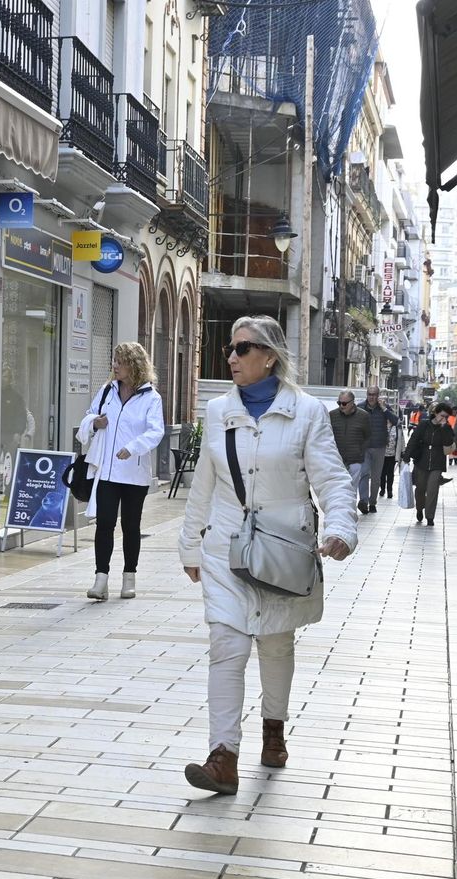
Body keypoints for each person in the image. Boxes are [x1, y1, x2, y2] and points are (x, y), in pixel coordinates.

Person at [178, 315, 357, 795]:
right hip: (226, 547)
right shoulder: (217, 411)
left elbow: (333, 479)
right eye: (230, 350)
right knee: (227, 645)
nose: (232, 357)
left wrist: (341, 527)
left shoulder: (307, 412)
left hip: (283, 547)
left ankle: (273, 731)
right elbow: (205, 482)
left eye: (242, 348)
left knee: (276, 643)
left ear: (269, 356)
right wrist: (191, 542)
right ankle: (223, 756)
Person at [78, 341, 165, 601]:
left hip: (134, 473)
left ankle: (129, 577)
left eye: (120, 362)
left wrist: (133, 447)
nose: (115, 366)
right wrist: (96, 422)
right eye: (114, 361)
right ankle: (100, 580)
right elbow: (89, 416)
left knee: (131, 525)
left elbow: (155, 431)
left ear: (134, 365)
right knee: (104, 524)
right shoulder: (107, 391)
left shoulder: (151, 397)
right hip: (106, 471)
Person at [402, 400, 456, 526]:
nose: (443, 418)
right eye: (442, 415)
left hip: (437, 462)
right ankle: (420, 508)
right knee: (420, 489)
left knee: (432, 489)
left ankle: (430, 516)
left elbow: (448, 443)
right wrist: (406, 457)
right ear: (436, 413)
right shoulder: (424, 425)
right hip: (422, 460)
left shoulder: (447, 428)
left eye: (446, 417)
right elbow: (413, 440)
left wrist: (444, 427)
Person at [329, 390, 372, 514]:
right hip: (337, 460)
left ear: (352, 403)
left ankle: (349, 512)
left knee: (352, 488)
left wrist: (360, 451)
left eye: (344, 403)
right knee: (337, 487)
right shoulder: (332, 415)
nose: (341, 406)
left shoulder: (363, 416)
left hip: (355, 459)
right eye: (339, 403)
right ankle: (338, 511)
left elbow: (368, 436)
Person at [361, 386, 398, 513]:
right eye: (370, 394)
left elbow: (396, 421)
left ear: (378, 395)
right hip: (364, 447)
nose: (372, 397)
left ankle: (372, 502)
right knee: (364, 474)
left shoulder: (384, 408)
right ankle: (363, 502)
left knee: (376, 477)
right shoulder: (360, 407)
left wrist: (384, 409)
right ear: (367, 394)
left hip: (379, 447)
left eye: (374, 394)